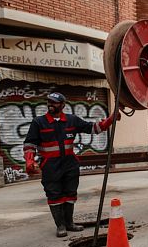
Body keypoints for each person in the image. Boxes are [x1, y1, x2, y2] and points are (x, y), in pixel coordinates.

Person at [24, 92, 119, 237]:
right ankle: (60, 226)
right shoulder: (39, 122)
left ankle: (69, 223)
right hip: (50, 165)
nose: (51, 105)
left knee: (70, 194)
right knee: (54, 195)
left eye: (54, 102)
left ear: (62, 105)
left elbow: (94, 128)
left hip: (70, 164)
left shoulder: (71, 120)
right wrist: (29, 160)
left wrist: (111, 120)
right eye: (49, 102)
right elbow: (29, 144)